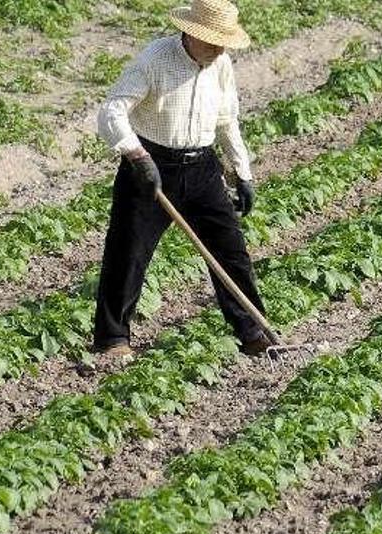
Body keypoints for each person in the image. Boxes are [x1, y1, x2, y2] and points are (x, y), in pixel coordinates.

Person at [89, 0, 268, 371]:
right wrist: (136, 156)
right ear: (190, 32)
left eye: (223, 43)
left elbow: (227, 120)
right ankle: (113, 339)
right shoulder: (155, 57)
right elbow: (112, 110)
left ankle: (253, 333)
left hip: (202, 167)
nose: (219, 49)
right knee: (129, 250)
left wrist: (242, 172)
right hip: (152, 164)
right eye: (212, 41)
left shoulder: (220, 64)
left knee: (229, 251)